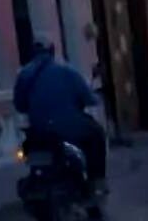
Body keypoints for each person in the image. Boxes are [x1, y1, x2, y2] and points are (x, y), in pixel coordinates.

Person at [13, 36, 107, 184]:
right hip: (68, 127)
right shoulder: (67, 71)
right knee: (97, 135)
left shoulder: (24, 74)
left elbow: (19, 105)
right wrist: (95, 97)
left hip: (38, 131)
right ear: (52, 50)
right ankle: (96, 181)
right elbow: (89, 98)